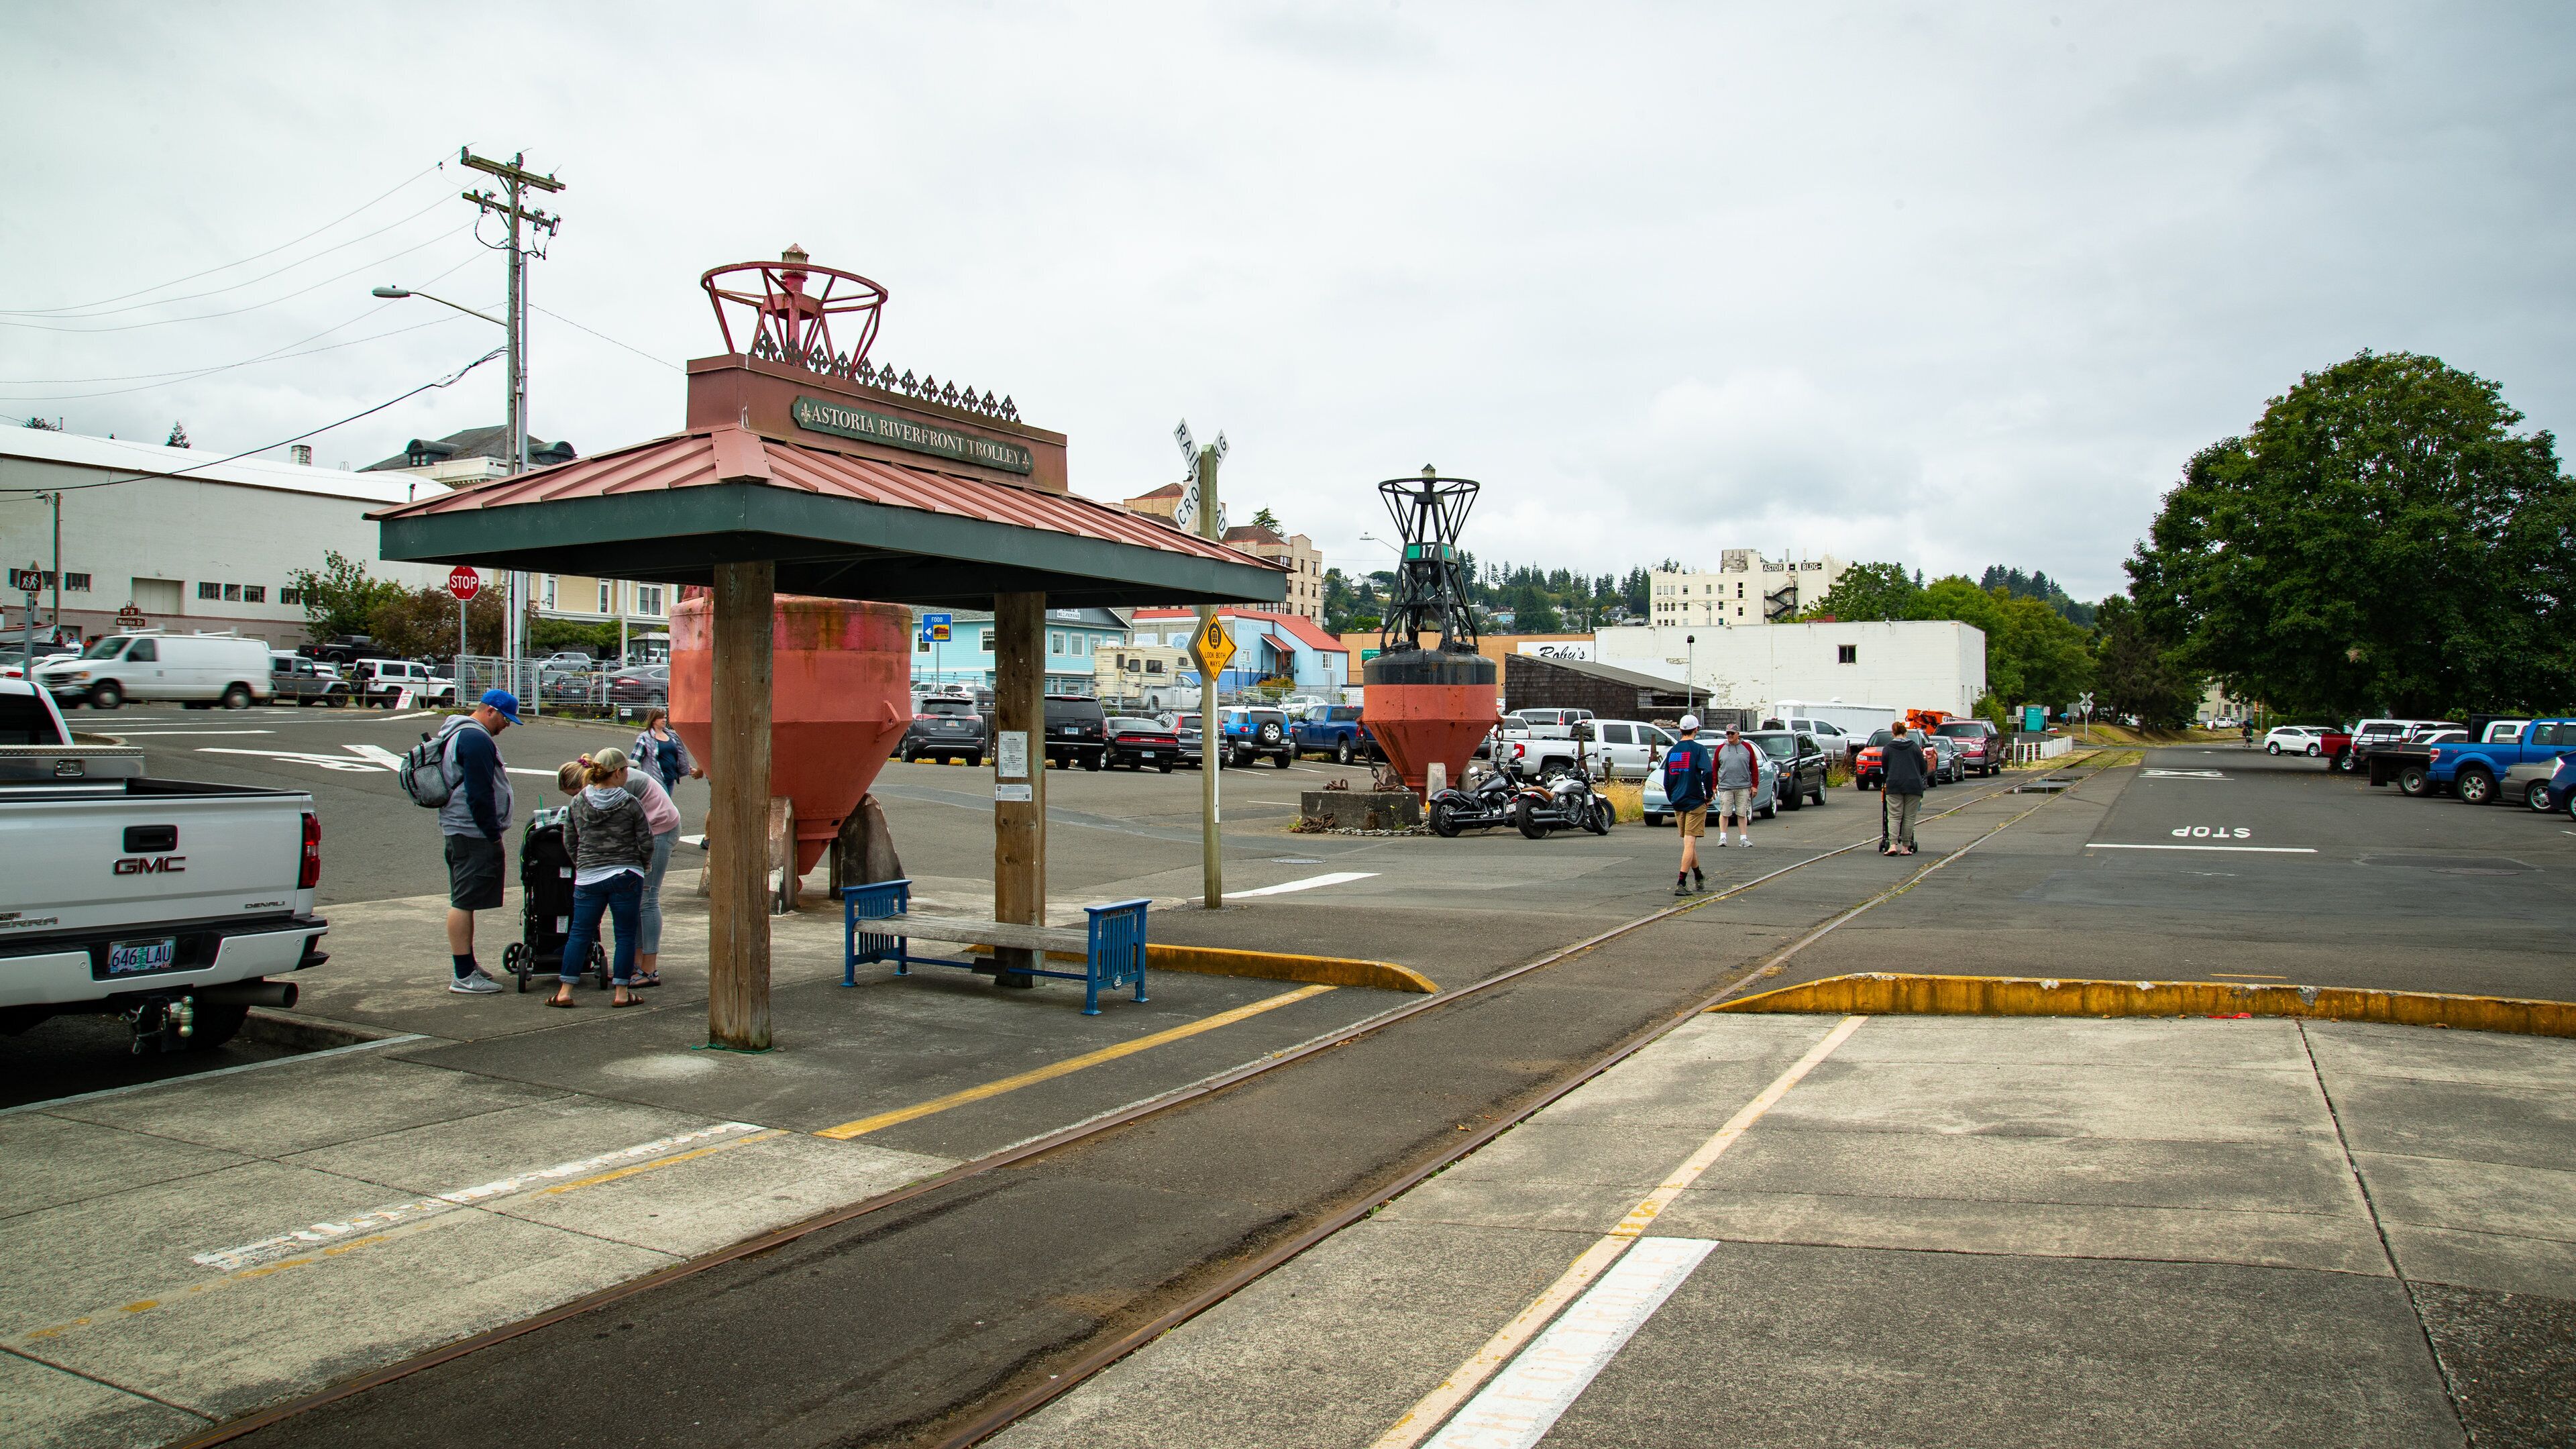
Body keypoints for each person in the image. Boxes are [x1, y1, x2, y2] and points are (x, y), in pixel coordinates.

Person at [551, 747, 657, 1008]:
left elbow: (570, 839)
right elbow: (645, 839)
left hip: (588, 876)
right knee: (624, 935)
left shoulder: (578, 802)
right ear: (619, 773)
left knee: (579, 933)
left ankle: (565, 991)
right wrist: (642, 865)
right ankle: (621, 993)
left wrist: (583, 864)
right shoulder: (630, 802)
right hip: (625, 873)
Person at [439, 689, 521, 994]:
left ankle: (467, 965)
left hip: (461, 828)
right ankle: (462, 974)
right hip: (471, 831)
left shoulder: (459, 733)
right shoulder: (475, 739)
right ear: (490, 711)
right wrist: (491, 832)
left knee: (467, 899)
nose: (507, 725)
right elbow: (479, 792)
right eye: (506, 718)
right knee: (463, 900)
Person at [1662, 714, 1713, 896]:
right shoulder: (1698, 749)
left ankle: (1698, 876)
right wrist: (1709, 794)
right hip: (1694, 800)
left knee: (1688, 843)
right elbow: (1707, 771)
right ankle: (1681, 882)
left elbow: (1667, 780)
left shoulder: (1673, 751)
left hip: (1678, 800)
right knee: (1690, 843)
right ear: (1696, 730)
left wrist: (1672, 797)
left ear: (1680, 730)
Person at [1880, 720, 1931, 856]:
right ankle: (1906, 848)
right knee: (1909, 817)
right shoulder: (1914, 747)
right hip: (1913, 785)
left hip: (1894, 785)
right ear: (1905, 733)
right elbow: (1923, 767)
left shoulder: (1888, 748)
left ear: (1893, 733)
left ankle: (1892, 846)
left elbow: (1884, 768)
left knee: (1895, 816)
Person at [1711, 723, 1760, 849]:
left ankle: (1743, 838)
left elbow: (1754, 767)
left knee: (1742, 813)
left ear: (1738, 734)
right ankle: (1723, 837)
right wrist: (1714, 786)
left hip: (1743, 786)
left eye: (1732, 733)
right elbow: (1715, 768)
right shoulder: (1720, 749)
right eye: (1728, 733)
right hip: (1726, 786)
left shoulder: (1747, 747)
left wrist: (1754, 785)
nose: (1730, 736)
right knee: (1725, 812)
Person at [631, 709, 700, 793]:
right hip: (655, 781)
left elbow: (679, 756)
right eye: (661, 718)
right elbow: (634, 761)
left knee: (665, 805)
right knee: (662, 805)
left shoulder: (672, 736)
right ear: (653, 720)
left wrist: (689, 768)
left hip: (670, 779)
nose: (664, 720)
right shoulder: (645, 738)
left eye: (665, 718)